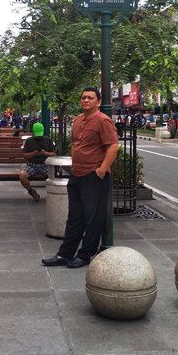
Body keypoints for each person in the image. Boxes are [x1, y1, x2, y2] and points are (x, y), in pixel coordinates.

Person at [42, 87, 119, 269]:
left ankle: (85, 255)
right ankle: (65, 254)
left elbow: (113, 147)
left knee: (93, 218)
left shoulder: (103, 121)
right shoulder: (77, 120)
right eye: (83, 98)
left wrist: (101, 170)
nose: (86, 100)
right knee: (75, 218)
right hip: (76, 174)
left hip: (94, 176)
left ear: (98, 102)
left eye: (90, 98)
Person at [20, 123, 56, 201]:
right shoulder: (29, 141)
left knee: (54, 177)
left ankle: (52, 194)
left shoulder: (48, 140)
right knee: (22, 176)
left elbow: (54, 154)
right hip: (31, 165)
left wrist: (45, 153)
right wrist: (34, 153)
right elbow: (25, 155)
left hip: (45, 165)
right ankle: (31, 191)